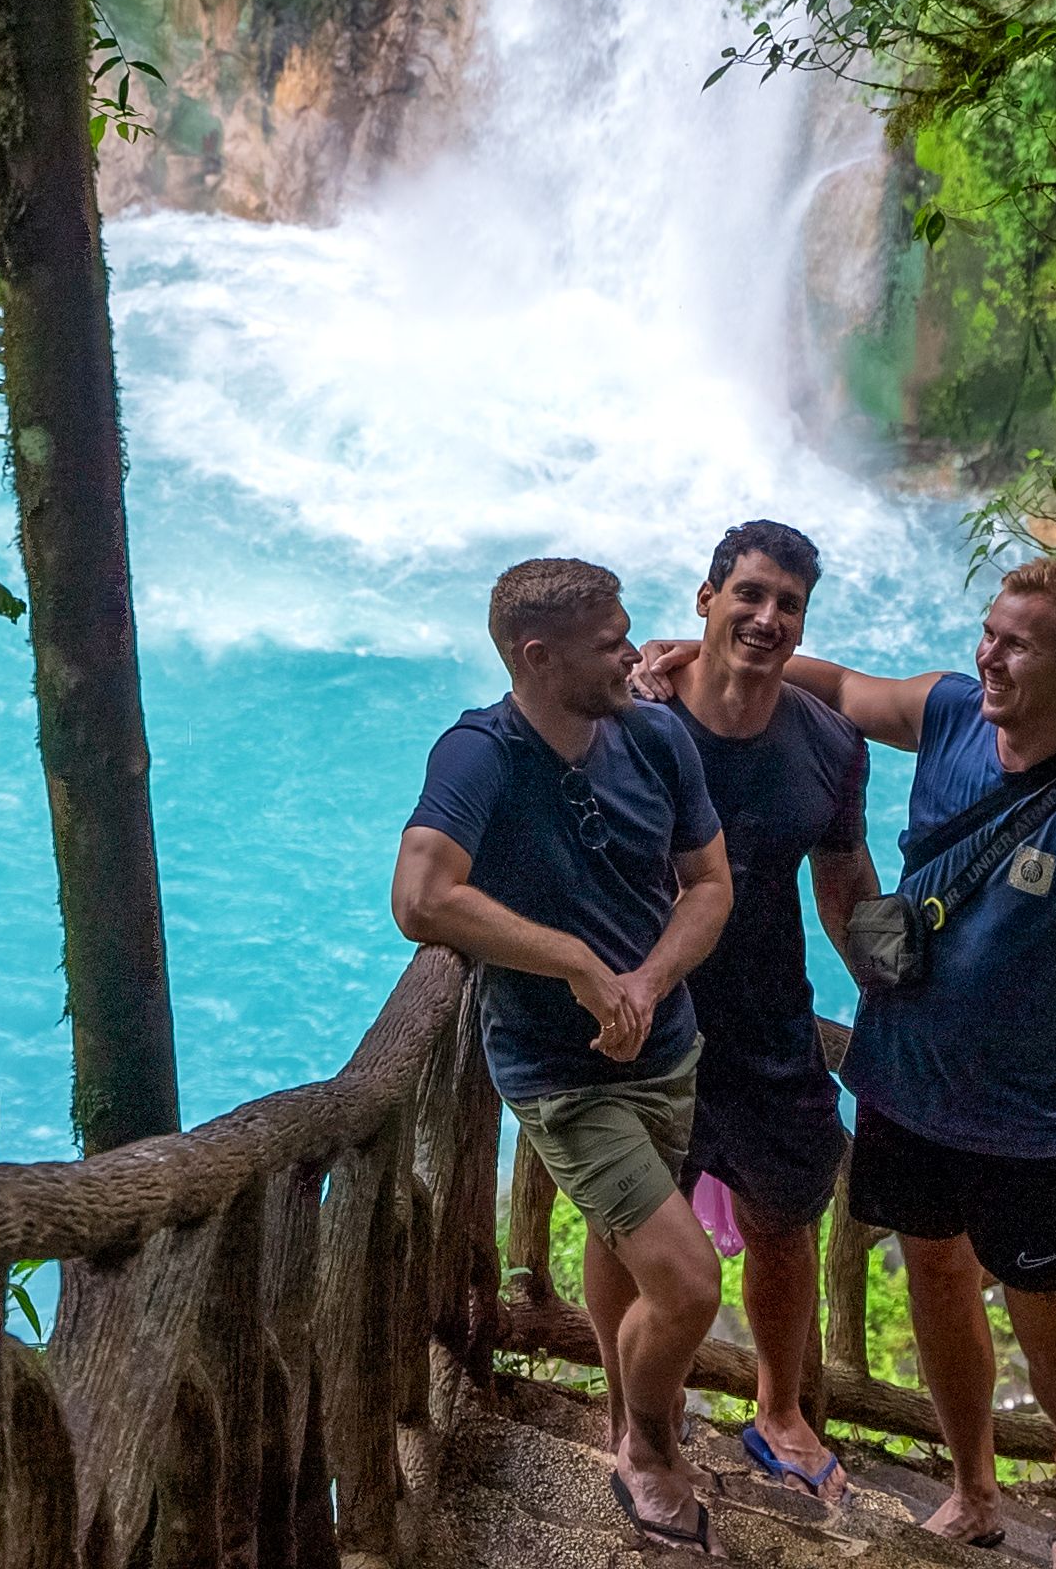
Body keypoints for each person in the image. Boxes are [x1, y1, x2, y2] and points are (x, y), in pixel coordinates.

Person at [675, 554, 1056, 1566]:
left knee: (1051, 1331)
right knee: (934, 1283)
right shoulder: (949, 713)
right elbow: (833, 687)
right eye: (988, 632)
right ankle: (970, 1488)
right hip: (905, 1087)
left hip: (1031, 1117)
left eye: (1016, 643)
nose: (989, 656)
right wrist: (700, 652)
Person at [392, 556, 737, 1551]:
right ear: (537, 658)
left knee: (632, 1256)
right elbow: (418, 896)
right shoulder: (480, 755)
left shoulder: (655, 736)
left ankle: (624, 1412)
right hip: (559, 1071)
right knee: (687, 1280)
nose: (636, 653)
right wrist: (577, 962)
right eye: (611, 641)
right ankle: (651, 1449)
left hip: (664, 1048)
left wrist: (649, 980)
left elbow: (707, 885)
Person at [655, 518, 878, 1513]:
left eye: (786, 603)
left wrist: (895, 990)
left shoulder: (827, 745)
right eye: (747, 593)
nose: (765, 615)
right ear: (705, 599)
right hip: (647, 1017)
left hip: (766, 1018)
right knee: (636, 1216)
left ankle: (778, 1409)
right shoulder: (637, 720)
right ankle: (639, 1414)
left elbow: (843, 884)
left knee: (786, 1215)